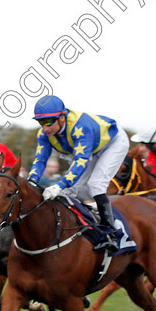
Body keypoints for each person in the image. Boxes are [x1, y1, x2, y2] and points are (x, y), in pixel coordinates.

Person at [28, 95, 129, 252]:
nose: (45, 127)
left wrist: (59, 184)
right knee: (69, 191)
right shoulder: (43, 135)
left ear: (62, 117)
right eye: (41, 122)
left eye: (48, 121)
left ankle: (112, 234)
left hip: (113, 143)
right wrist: (31, 182)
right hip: (92, 148)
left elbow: (81, 161)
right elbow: (40, 160)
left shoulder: (81, 127)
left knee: (95, 185)